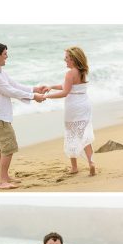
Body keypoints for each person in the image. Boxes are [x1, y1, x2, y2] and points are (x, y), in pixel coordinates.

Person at [0, 43, 48, 189]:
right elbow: (10, 91)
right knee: (9, 147)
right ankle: (2, 181)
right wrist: (33, 96)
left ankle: (5, 177)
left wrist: (34, 89)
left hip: (1, 116)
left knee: (2, 148)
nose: (7, 56)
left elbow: (14, 85)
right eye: (5, 54)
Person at [43, 46, 96, 176]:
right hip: (85, 104)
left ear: (72, 59)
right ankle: (91, 162)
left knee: (72, 134)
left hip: (74, 107)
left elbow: (65, 92)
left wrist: (46, 96)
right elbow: (67, 86)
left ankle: (74, 167)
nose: (64, 60)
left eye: (66, 57)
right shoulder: (82, 71)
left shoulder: (70, 73)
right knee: (83, 134)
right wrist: (51, 87)